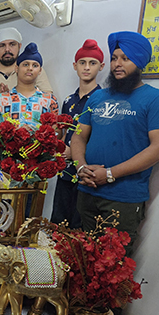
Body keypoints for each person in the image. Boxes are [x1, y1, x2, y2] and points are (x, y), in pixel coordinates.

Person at [71, 31, 159, 315]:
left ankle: (115, 314)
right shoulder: (97, 98)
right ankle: (86, 303)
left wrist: (111, 174)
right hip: (88, 189)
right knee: (85, 253)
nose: (117, 64)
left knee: (116, 259)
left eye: (125, 58)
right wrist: (81, 167)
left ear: (139, 62)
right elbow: (78, 137)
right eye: (114, 58)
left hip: (124, 196)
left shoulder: (157, 99)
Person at [0, 28, 53, 157]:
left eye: (12, 44)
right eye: (2, 45)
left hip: (32, 148)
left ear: (19, 46)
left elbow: (46, 103)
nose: (7, 49)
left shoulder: (32, 71)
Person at [50, 39, 105, 228]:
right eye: (82, 62)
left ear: (101, 66)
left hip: (87, 171)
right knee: (58, 221)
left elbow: (100, 137)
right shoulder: (68, 100)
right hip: (65, 170)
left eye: (92, 63)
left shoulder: (103, 101)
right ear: (75, 65)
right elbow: (63, 132)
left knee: (79, 224)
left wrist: (74, 152)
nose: (87, 67)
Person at [0, 42, 58, 129]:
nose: (30, 68)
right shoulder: (1, 99)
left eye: (35, 65)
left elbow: (57, 132)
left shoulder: (49, 100)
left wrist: (37, 134)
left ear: (40, 71)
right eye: (26, 64)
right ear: (17, 68)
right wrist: (12, 133)